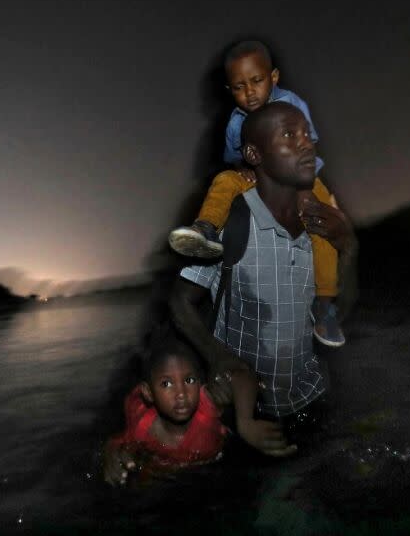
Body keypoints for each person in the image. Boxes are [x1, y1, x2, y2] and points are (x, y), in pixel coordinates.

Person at [170, 102, 356, 446]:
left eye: (306, 135)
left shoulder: (322, 223)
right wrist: (219, 359)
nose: (306, 144)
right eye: (289, 135)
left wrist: (348, 246)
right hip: (246, 415)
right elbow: (180, 303)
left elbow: (341, 311)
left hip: (313, 399)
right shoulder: (233, 220)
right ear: (254, 153)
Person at [168, 40, 345, 347]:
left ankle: (325, 303)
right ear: (230, 89)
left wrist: (305, 186)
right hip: (259, 174)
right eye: (239, 87)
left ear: (273, 77)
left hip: (300, 173)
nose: (249, 92)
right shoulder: (236, 123)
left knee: (322, 223)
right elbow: (234, 158)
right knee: (224, 180)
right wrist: (243, 168)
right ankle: (206, 228)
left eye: (256, 81)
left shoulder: (292, 104)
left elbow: (307, 145)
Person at [102, 336, 295, 486]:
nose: (181, 394)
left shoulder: (205, 407)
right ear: (149, 393)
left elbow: (240, 373)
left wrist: (246, 423)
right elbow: (115, 443)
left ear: (200, 383)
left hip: (215, 469)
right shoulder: (142, 427)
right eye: (166, 384)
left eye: (189, 380)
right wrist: (111, 458)